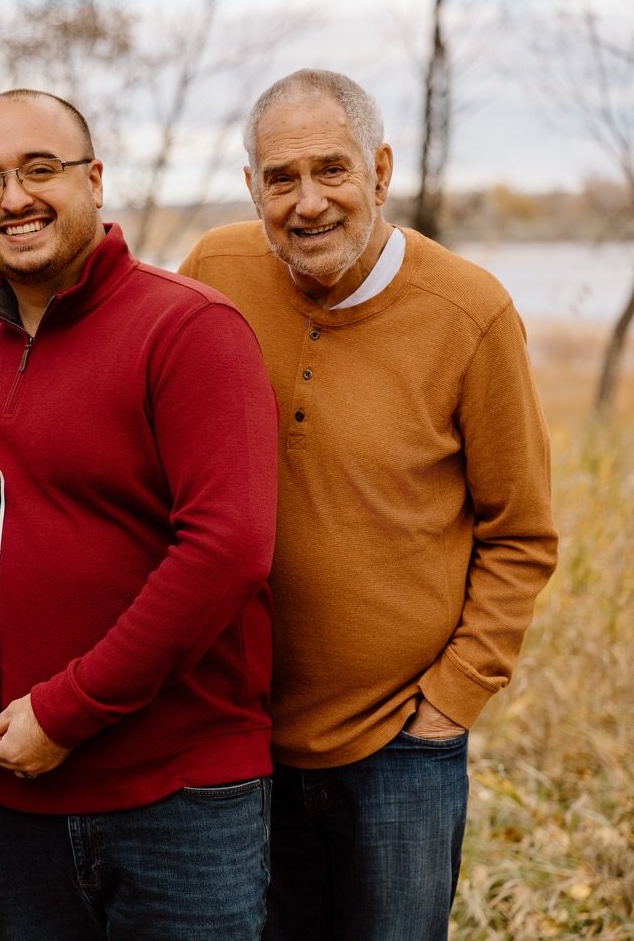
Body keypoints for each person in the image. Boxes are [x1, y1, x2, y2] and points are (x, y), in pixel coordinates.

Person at [177, 68, 560, 940]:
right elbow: (122, 356)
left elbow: (521, 534)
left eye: (332, 170)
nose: (307, 203)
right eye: (280, 179)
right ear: (252, 189)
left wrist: (449, 706)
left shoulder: (470, 314)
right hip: (237, 733)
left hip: (401, 749)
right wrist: (9, 311)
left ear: (380, 171)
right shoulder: (214, 270)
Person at [0, 89, 280, 940]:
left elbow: (227, 551)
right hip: (13, 799)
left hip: (181, 798)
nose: (13, 198)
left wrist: (67, 713)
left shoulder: (188, 329)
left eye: (39, 170)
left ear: (95, 180)